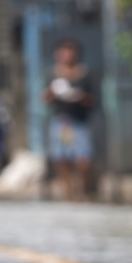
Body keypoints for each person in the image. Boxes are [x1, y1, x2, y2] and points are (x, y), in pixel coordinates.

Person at [44, 39, 94, 201]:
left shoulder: (84, 74)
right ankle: (69, 194)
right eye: (63, 51)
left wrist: (78, 96)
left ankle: (84, 192)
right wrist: (54, 92)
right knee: (62, 159)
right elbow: (46, 99)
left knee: (83, 160)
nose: (67, 55)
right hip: (61, 122)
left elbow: (92, 100)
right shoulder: (53, 74)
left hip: (79, 121)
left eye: (70, 51)